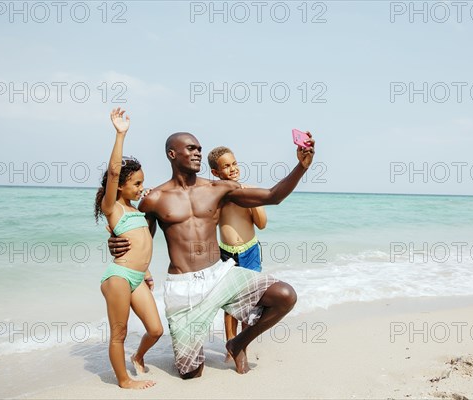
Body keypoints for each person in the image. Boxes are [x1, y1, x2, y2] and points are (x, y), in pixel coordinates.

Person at [108, 130, 315, 379]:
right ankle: (193, 355)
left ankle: (237, 343)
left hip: (220, 274)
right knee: (191, 373)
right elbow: (142, 240)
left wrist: (301, 167)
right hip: (183, 288)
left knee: (285, 296)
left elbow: (273, 196)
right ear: (172, 154)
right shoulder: (154, 199)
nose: (197, 153)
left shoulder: (217, 189)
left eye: (199, 149)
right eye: (191, 148)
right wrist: (116, 243)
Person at [94, 108, 163, 389]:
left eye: (142, 182)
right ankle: (124, 380)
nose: (141, 187)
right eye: (136, 183)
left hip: (137, 278)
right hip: (119, 277)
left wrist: (145, 272)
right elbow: (112, 171)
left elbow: (140, 244)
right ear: (120, 186)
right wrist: (120, 134)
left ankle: (137, 356)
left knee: (156, 330)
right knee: (118, 333)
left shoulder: (135, 209)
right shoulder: (112, 208)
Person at [207, 146, 267, 360]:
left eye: (234, 163)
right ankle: (229, 346)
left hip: (250, 250)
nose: (232, 169)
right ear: (215, 172)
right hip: (227, 253)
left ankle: (242, 345)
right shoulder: (217, 196)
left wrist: (255, 199)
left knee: (250, 303)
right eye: (226, 166)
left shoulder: (247, 191)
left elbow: (262, 224)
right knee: (230, 302)